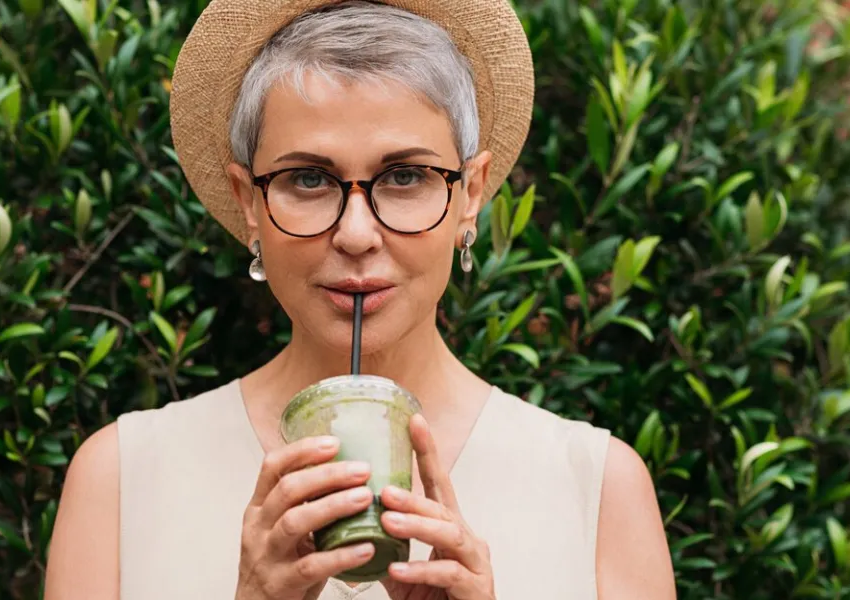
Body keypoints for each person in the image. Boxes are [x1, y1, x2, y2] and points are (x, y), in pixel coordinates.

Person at [43, 0, 675, 598]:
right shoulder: (121, 480)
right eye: (307, 179)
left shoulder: (597, 488)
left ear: (472, 193)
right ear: (248, 202)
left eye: (404, 176)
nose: (355, 234)